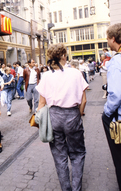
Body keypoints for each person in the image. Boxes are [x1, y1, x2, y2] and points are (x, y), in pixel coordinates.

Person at [36, 43, 88, 191]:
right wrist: (79, 114)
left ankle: (66, 188)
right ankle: (76, 188)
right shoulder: (76, 73)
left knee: (59, 156)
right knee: (77, 153)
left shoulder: (46, 76)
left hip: (54, 117)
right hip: (72, 114)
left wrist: (40, 122)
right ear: (64, 56)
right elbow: (83, 100)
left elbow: (41, 102)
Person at [102, 23, 121, 190]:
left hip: (119, 119)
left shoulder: (116, 62)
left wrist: (106, 112)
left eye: (107, 38)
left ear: (113, 39)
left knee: (119, 157)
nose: (107, 41)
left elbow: (115, 95)